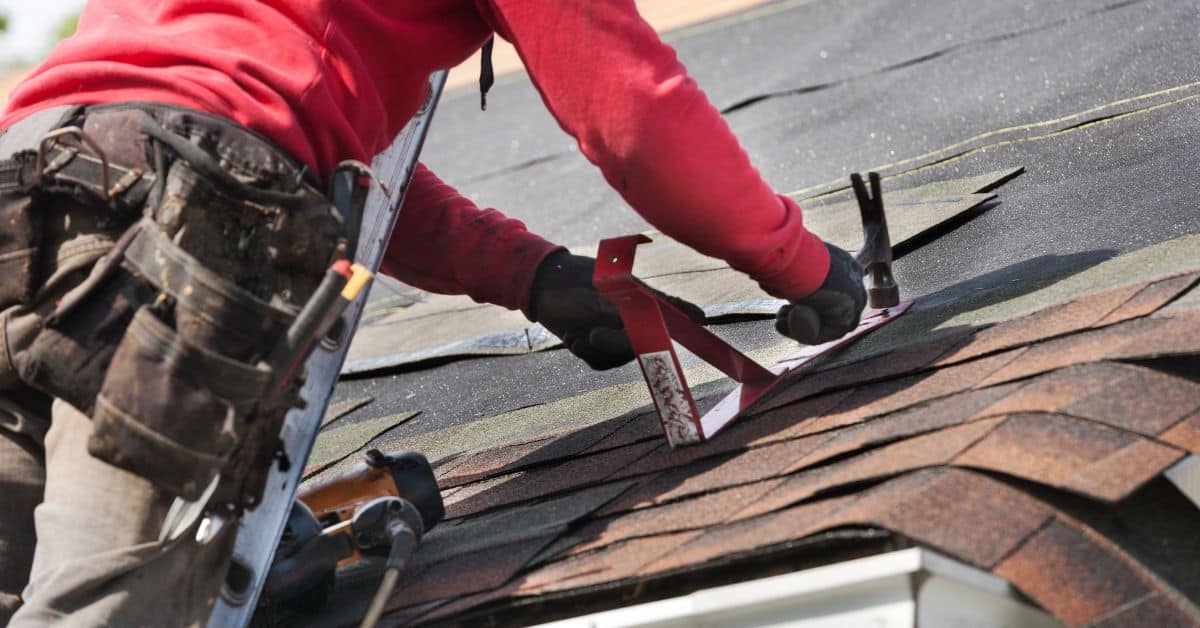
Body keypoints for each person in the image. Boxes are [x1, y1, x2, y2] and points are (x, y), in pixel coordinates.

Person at [0, 0, 865, 625]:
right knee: (112, 601)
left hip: (31, 186)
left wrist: (532, 275)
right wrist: (796, 261)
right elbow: (632, 114)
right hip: (193, 216)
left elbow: (298, 155)